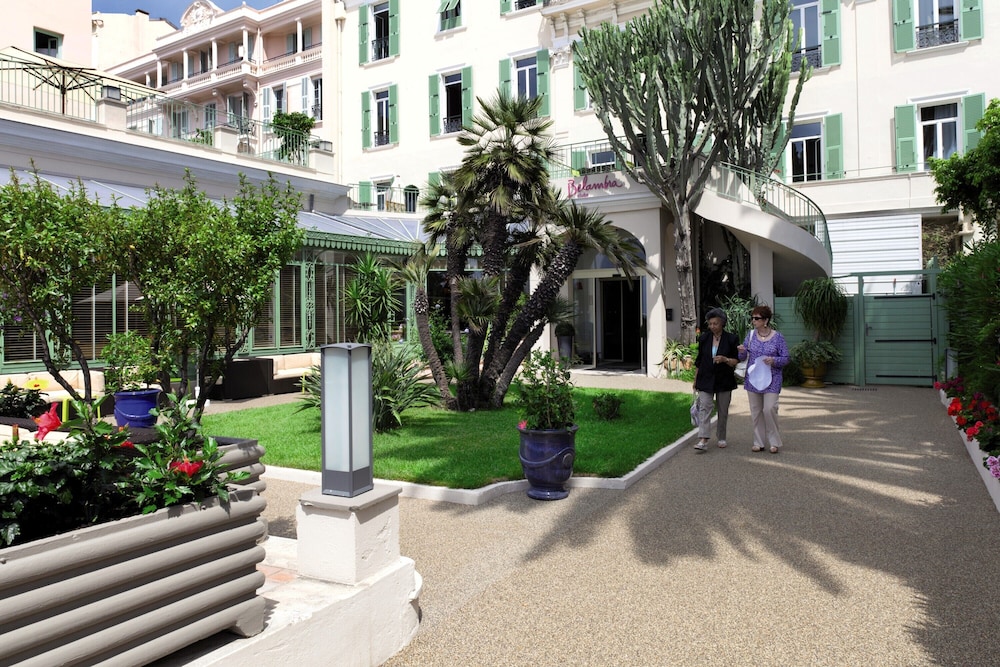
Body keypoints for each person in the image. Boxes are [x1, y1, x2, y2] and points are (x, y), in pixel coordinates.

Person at [737, 304, 790, 453]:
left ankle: (774, 442)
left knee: (769, 409)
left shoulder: (778, 337)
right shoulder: (751, 335)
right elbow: (743, 357)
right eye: (753, 318)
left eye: (757, 318)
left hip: (773, 378)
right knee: (756, 411)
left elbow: (786, 358)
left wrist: (774, 360)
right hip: (753, 379)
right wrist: (741, 351)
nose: (753, 321)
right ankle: (758, 442)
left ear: (765, 320)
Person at [692, 307, 740, 452]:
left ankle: (721, 436)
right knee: (704, 407)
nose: (712, 326)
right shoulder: (704, 338)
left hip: (724, 380)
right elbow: (699, 360)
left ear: (722, 323)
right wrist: (695, 380)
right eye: (710, 323)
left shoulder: (732, 339)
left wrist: (725, 359)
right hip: (705, 378)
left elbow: (736, 361)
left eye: (715, 323)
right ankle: (703, 438)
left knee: (723, 410)